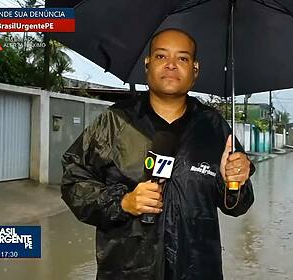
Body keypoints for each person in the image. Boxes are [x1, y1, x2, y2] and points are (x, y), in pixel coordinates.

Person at [61, 28, 255, 280]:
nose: (171, 65)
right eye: (162, 57)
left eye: (183, 58)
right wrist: (122, 203)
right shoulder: (115, 122)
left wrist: (235, 181)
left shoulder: (214, 127)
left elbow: (237, 206)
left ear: (195, 70)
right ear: (148, 64)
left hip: (198, 270)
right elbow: (73, 182)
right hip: (127, 272)